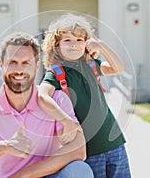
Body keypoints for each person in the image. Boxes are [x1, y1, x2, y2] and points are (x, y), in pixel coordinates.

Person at [0, 31, 94, 178]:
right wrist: (5, 146)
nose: (19, 70)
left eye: (26, 63)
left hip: (43, 175)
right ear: (1, 64)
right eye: (12, 62)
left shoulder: (55, 100)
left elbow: (78, 149)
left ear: (36, 66)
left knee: (79, 170)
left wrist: (24, 175)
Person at [38, 13, 131, 177]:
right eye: (67, 40)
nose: (74, 44)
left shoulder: (91, 65)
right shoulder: (56, 72)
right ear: (56, 45)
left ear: (86, 44)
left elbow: (118, 68)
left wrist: (101, 45)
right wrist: (65, 121)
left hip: (115, 142)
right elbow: (42, 97)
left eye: (79, 40)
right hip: (88, 150)